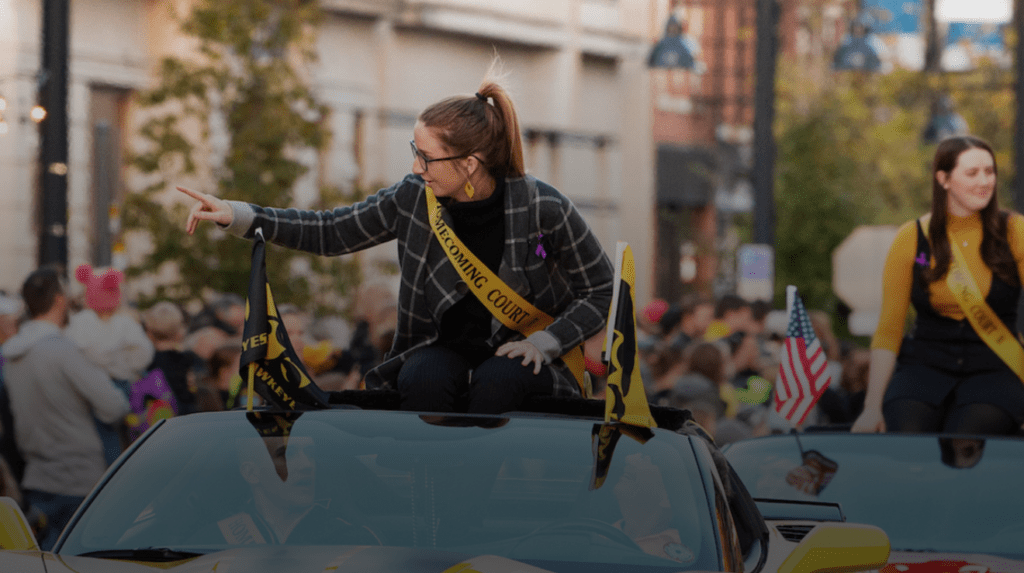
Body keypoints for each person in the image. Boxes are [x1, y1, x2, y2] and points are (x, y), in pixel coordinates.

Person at [177, 60, 614, 414]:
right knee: (422, 383)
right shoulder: (412, 197)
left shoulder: (544, 207)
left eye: (426, 157)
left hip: (525, 352)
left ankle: (475, 507)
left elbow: (600, 288)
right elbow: (332, 232)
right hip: (440, 348)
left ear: (470, 163)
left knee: (496, 385)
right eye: (414, 152)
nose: (415, 168)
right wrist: (239, 215)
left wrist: (546, 342)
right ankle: (427, 502)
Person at [853, 136, 1024, 435]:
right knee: (906, 436)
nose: (985, 181)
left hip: (996, 369)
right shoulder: (911, 237)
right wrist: (871, 406)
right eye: (972, 173)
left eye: (990, 171)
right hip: (924, 366)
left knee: (968, 441)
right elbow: (889, 329)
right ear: (943, 178)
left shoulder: (1015, 231)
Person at [2, 268, 130, 550]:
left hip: (38, 478)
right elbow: (114, 406)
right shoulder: (62, 350)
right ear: (60, 300)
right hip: (82, 481)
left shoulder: (11, 356)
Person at [142, 301, 205, 415]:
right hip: (191, 419)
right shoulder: (191, 360)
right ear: (179, 331)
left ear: (149, 332)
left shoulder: (147, 364)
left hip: (163, 424)